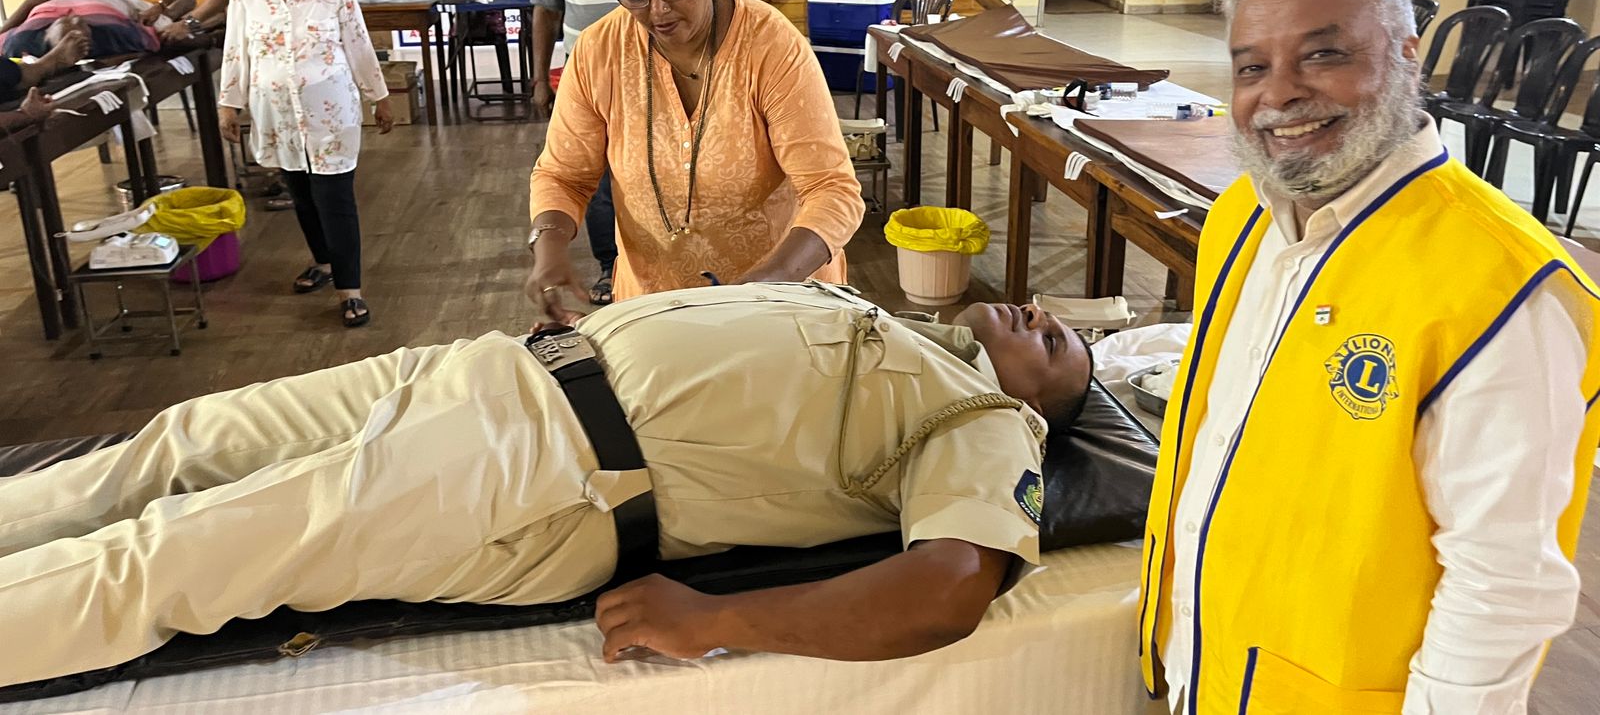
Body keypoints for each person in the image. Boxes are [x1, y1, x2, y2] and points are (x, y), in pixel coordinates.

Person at [0, 286, 1092, 687]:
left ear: (1046, 409)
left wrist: (714, 619)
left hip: (546, 472)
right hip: (486, 369)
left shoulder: (987, 422)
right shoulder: (900, 329)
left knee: (182, 551)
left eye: (1064, 346)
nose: (1048, 317)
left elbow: (949, 586)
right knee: (170, 446)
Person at [1137, 0, 1600, 714]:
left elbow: (1501, 583)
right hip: (1206, 666)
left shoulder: (1502, 285)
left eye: (1323, 55)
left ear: (1408, 55)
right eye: (1252, 67)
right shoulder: (1243, 216)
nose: (1279, 95)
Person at [527, 0, 863, 323]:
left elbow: (832, 189)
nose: (659, 11)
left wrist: (769, 280)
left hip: (781, 299)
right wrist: (549, 250)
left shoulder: (769, 45)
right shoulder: (600, 50)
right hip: (652, 308)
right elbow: (563, 174)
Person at [219, 0, 392, 328]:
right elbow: (236, 49)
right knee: (300, 193)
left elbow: (358, 45)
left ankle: (350, 290)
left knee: (335, 200)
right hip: (276, 115)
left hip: (330, 115)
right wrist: (229, 101)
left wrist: (379, 95)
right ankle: (323, 262)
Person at [531, 0, 629, 306]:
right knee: (595, 178)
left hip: (643, 73)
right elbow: (546, 13)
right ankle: (611, 268)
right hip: (583, 76)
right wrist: (539, 80)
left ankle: (650, 262)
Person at [0, 0, 160, 60]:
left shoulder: (19, 43)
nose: (75, 18)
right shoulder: (117, 33)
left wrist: (29, 3)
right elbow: (154, 38)